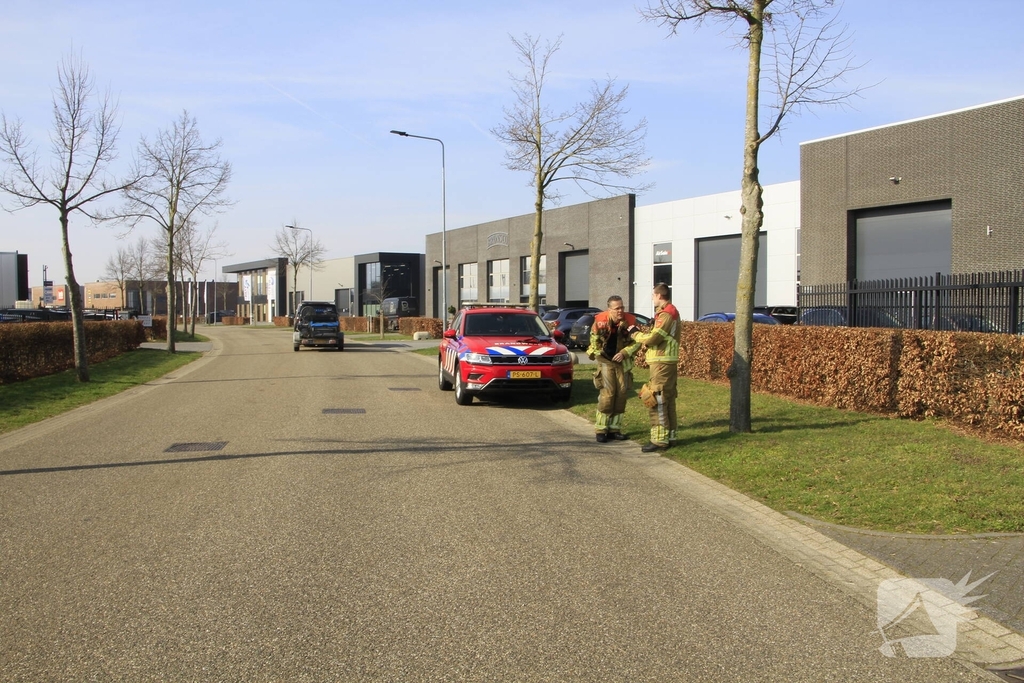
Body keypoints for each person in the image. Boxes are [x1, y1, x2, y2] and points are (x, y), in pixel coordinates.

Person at [629, 283, 681, 452]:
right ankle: (670, 437)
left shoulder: (666, 314)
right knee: (668, 400)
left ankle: (659, 440)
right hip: (665, 362)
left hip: (661, 363)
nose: (652, 298)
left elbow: (654, 338)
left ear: (659, 296)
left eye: (653, 295)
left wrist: (635, 334)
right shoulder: (668, 312)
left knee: (657, 399)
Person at [586, 295, 639, 443]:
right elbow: (594, 342)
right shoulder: (600, 321)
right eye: (617, 308)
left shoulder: (630, 321)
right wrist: (599, 355)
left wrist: (624, 352)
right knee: (608, 395)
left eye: (622, 307)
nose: (621, 311)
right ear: (609, 310)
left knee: (621, 394)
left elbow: (637, 342)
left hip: (622, 362)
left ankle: (615, 429)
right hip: (605, 361)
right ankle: (601, 430)